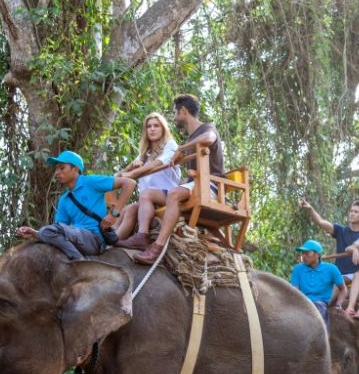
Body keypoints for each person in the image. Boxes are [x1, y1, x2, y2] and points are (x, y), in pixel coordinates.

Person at [133, 94, 224, 264]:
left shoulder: (206, 128)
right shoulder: (191, 139)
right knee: (148, 194)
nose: (174, 118)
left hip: (211, 186)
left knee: (174, 194)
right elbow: (190, 177)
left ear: (183, 111)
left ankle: (157, 248)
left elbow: (209, 139)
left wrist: (181, 148)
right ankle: (141, 236)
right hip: (194, 185)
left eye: (175, 113)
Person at [16, 150, 135, 261]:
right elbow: (57, 230)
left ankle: (80, 263)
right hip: (76, 238)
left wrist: (114, 214)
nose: (57, 173)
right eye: (56, 169)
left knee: (48, 231)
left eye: (62, 168)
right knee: (48, 234)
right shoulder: (64, 199)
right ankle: (77, 260)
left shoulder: (91, 182)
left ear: (76, 169)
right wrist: (35, 233)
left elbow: (129, 183)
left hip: (95, 238)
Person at [113, 112, 181, 249]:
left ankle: (142, 236)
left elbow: (159, 163)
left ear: (163, 129)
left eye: (156, 125)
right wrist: (130, 167)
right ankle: (112, 239)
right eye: (149, 126)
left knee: (146, 193)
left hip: (168, 194)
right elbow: (117, 176)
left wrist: (132, 174)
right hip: (147, 200)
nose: (152, 129)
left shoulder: (171, 145)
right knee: (130, 208)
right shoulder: (145, 154)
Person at [298, 199, 359, 281]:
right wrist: (310, 209)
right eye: (351, 211)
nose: (352, 214)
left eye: (356, 212)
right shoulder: (341, 230)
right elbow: (320, 222)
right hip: (339, 274)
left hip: (357, 276)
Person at [290, 239, 345, 324]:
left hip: (321, 304)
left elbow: (343, 289)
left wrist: (338, 305)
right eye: (303, 253)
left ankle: (321, 335)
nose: (304, 256)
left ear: (317, 254)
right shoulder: (298, 269)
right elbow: (294, 291)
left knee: (317, 307)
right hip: (303, 303)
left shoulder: (331, 269)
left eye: (307, 253)